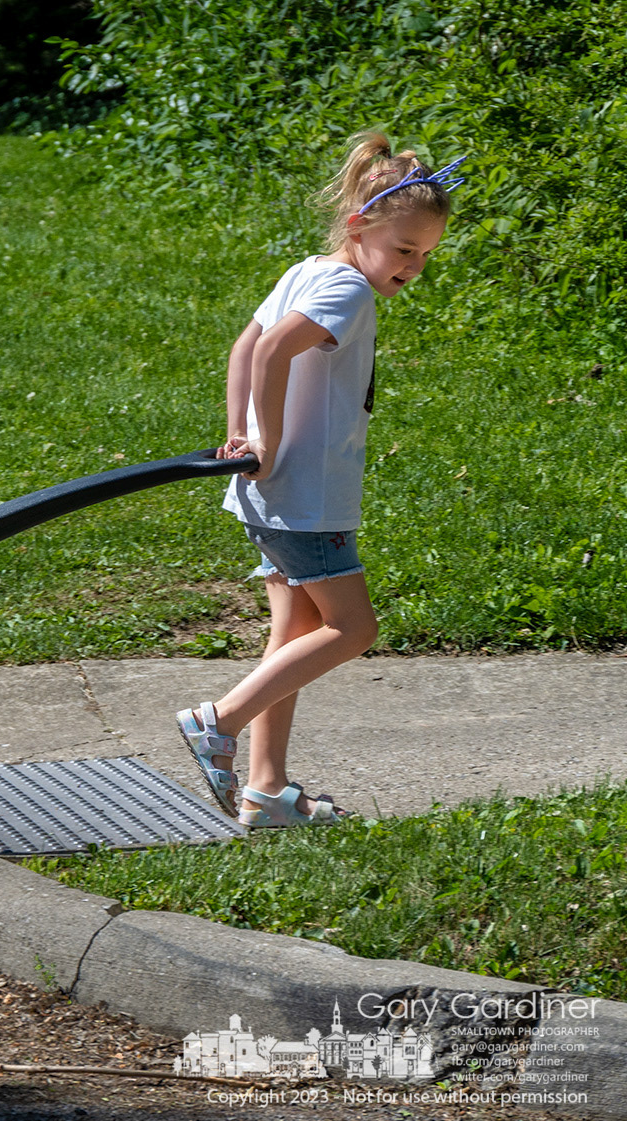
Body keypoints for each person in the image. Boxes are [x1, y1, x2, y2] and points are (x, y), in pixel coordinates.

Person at [176, 133, 463, 828]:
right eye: (404, 250)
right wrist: (264, 441)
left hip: (273, 496)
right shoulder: (346, 289)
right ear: (361, 226)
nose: (415, 266)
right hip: (304, 501)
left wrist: (241, 437)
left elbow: (247, 343)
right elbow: (272, 349)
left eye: (426, 254)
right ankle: (219, 723)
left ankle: (266, 791)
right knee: (352, 626)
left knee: (295, 631)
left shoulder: (308, 269)